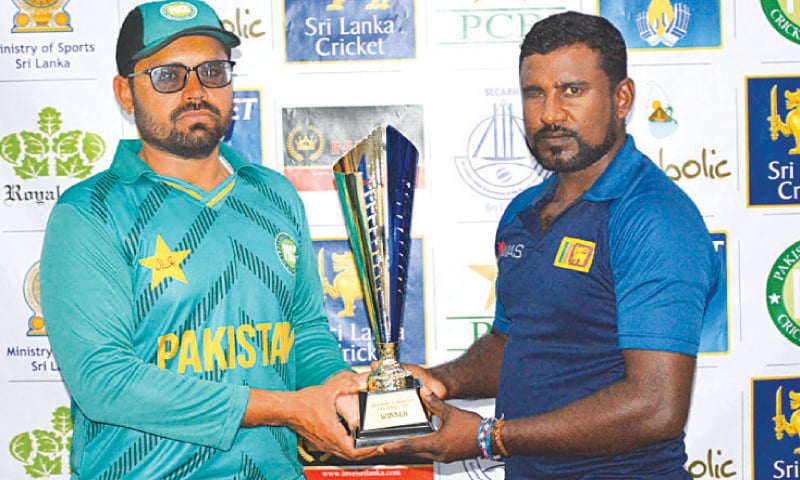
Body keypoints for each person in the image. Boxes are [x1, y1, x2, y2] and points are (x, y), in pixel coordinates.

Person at [39, 1, 373, 478]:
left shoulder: (274, 194)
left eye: (213, 71)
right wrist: (285, 408)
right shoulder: (90, 212)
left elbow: (304, 331)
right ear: (126, 93)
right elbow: (105, 381)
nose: (195, 91)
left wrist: (338, 387)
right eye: (168, 76)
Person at [379, 11, 720, 479]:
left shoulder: (654, 217)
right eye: (534, 93)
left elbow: (656, 406)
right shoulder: (523, 211)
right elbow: (514, 342)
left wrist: (489, 438)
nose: (550, 114)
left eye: (572, 91)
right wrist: (441, 381)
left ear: (622, 98)